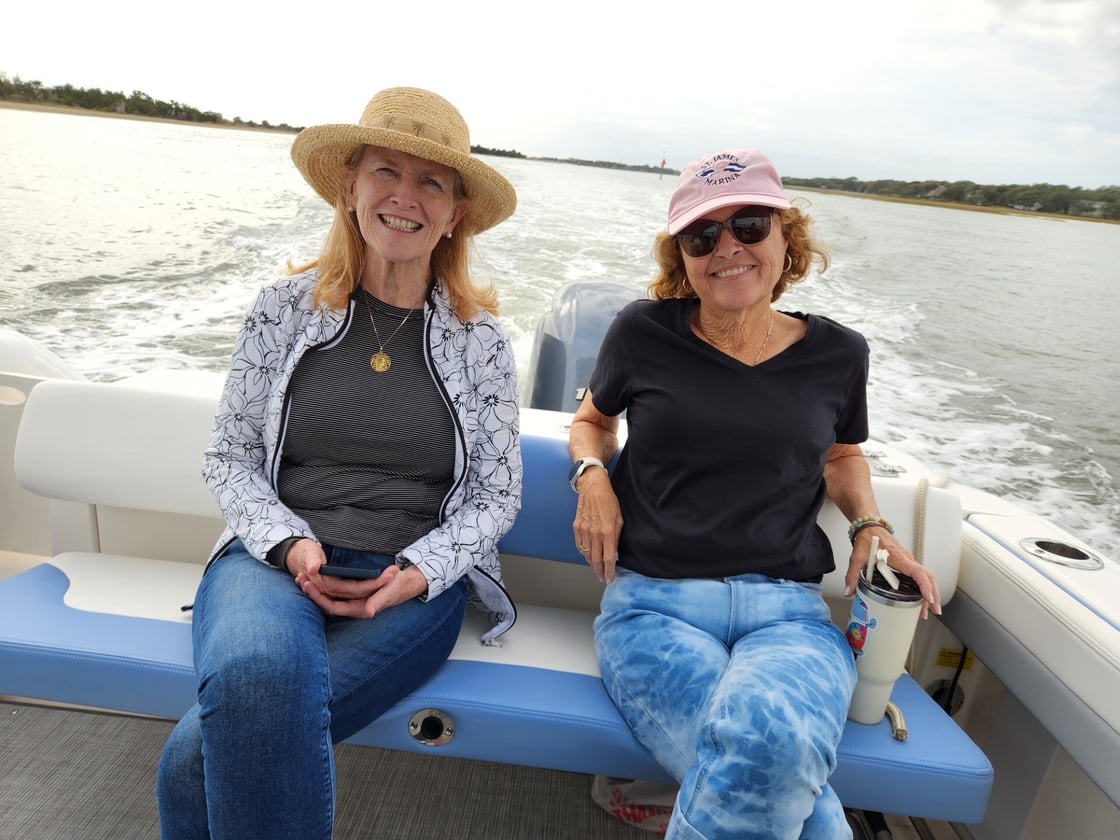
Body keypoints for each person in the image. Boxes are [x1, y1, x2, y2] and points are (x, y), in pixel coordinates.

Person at [156, 87, 522, 839]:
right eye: (385, 171)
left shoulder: (481, 340)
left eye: (431, 182)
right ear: (351, 188)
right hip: (273, 560)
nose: (404, 196)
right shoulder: (282, 308)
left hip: (411, 582)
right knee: (257, 681)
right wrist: (289, 543)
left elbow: (497, 494)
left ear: (454, 214)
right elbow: (230, 456)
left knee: (197, 755)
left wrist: (419, 571)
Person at [568, 148, 941, 839]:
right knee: (776, 759)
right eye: (701, 236)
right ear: (682, 257)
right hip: (654, 604)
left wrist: (870, 525)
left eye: (748, 226)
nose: (727, 247)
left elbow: (841, 455)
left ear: (785, 237)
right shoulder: (641, 333)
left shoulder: (839, 354)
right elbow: (593, 421)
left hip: (789, 614)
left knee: (766, 754)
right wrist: (593, 476)